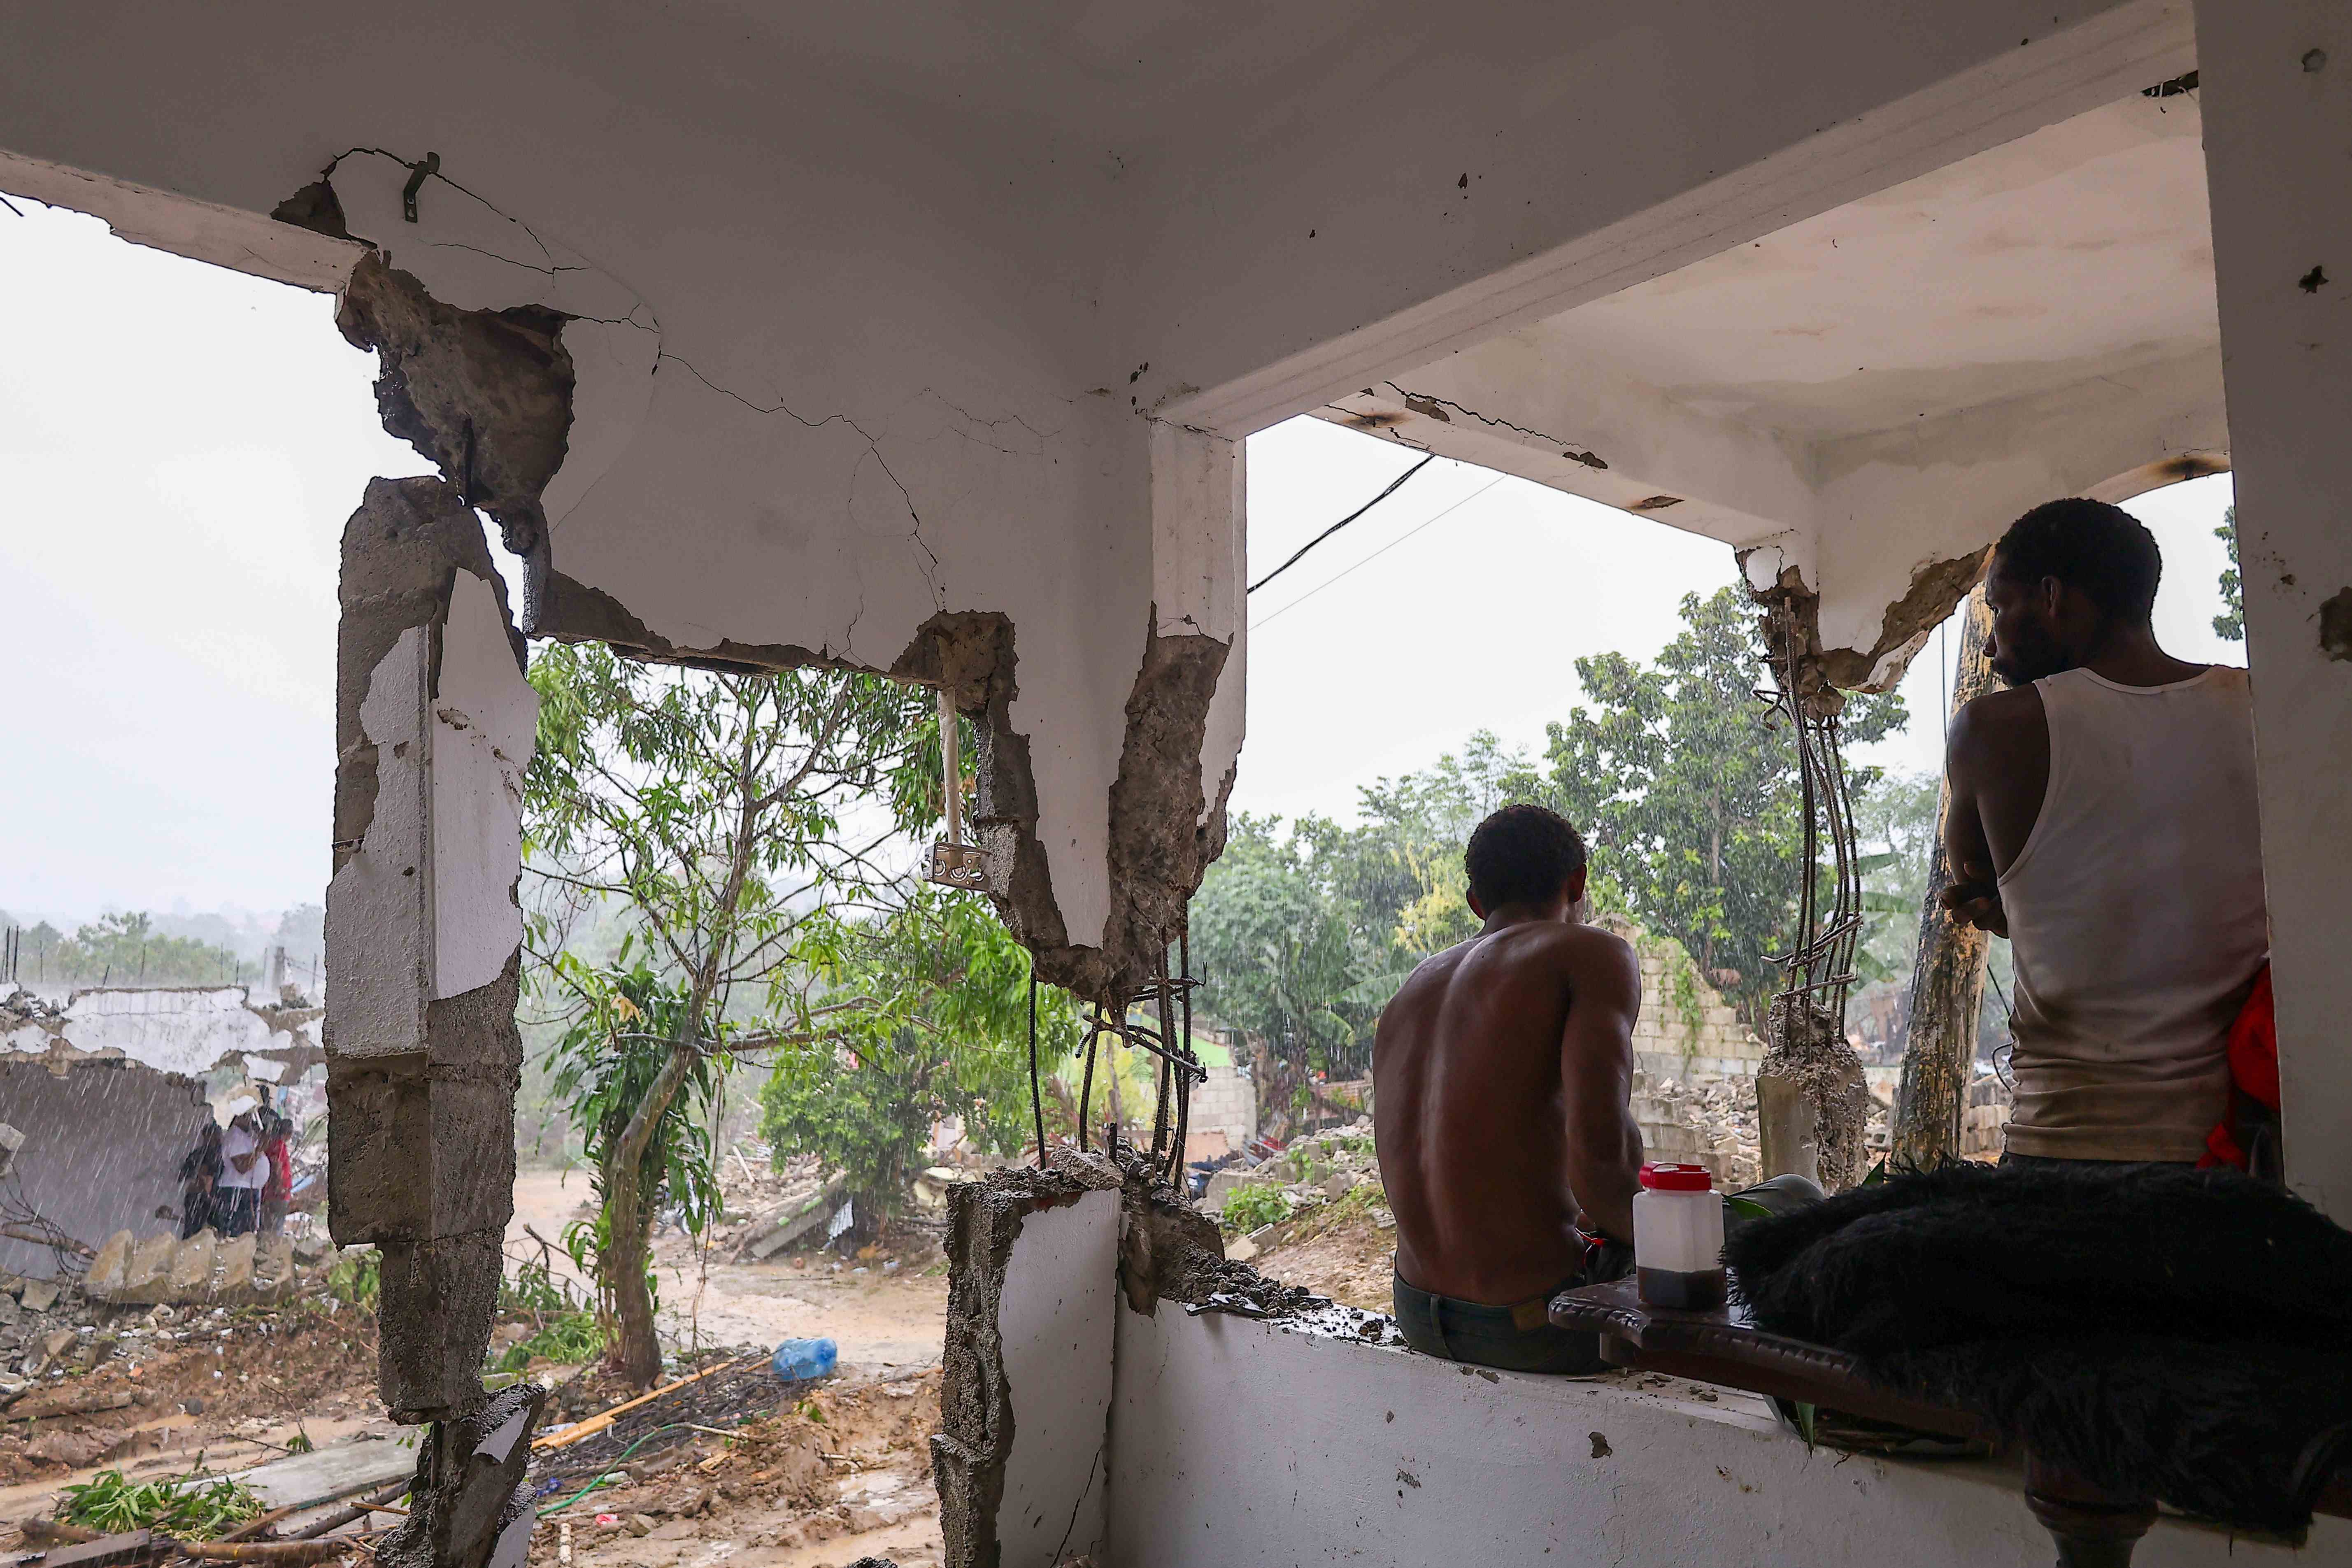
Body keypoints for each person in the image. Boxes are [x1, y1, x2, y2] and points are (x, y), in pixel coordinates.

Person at [1374, 804, 1814, 1375]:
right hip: (1534, 1326)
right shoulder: (1587, 954)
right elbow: (1602, 1178)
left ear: (1476, 902)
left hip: (1417, 1313)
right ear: (1576, 881)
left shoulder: (1412, 989)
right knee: (1793, 1197)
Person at [1941, 497, 2268, 1168]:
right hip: (2237, 1155)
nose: (1991, 641)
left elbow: (1972, 876)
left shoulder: (1995, 731)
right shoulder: (2260, 707)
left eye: (2000, 609)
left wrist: (2018, 904)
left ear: (2052, 598)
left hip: (2064, 1156)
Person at [214, 1098, 269, 1238]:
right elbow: (242, 1168)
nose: (250, 1120)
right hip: (237, 1189)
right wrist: (259, 1150)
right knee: (234, 1233)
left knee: (247, 1234)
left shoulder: (247, 1135)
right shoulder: (235, 1136)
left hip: (248, 1190)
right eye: (248, 1116)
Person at [177, 1123, 223, 1240]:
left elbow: (182, 1176)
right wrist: (207, 1195)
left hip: (195, 1197)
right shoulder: (213, 1155)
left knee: (192, 1234)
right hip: (205, 1198)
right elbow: (207, 1178)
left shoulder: (197, 1153)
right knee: (209, 1234)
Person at [258, 1113, 294, 1238]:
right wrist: (279, 1187)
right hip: (277, 1195)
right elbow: (276, 1167)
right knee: (274, 1230)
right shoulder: (279, 1146)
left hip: (270, 1192)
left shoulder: (273, 1145)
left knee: (267, 1227)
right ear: (289, 1134)